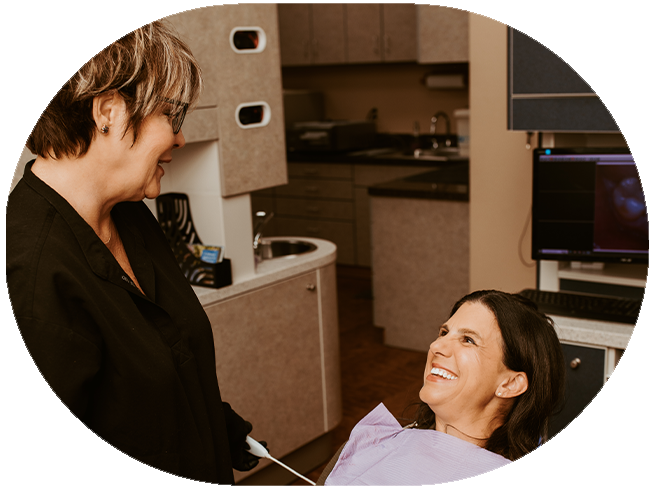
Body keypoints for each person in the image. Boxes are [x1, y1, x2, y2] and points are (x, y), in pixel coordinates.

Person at [6, 21, 263, 484]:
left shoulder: (130, 215)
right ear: (109, 112)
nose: (180, 139)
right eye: (173, 117)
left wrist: (218, 427)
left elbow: (161, 363)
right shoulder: (31, 272)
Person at [321, 290, 566, 485]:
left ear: (510, 384)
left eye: (468, 340)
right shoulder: (373, 443)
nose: (436, 346)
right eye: (444, 332)